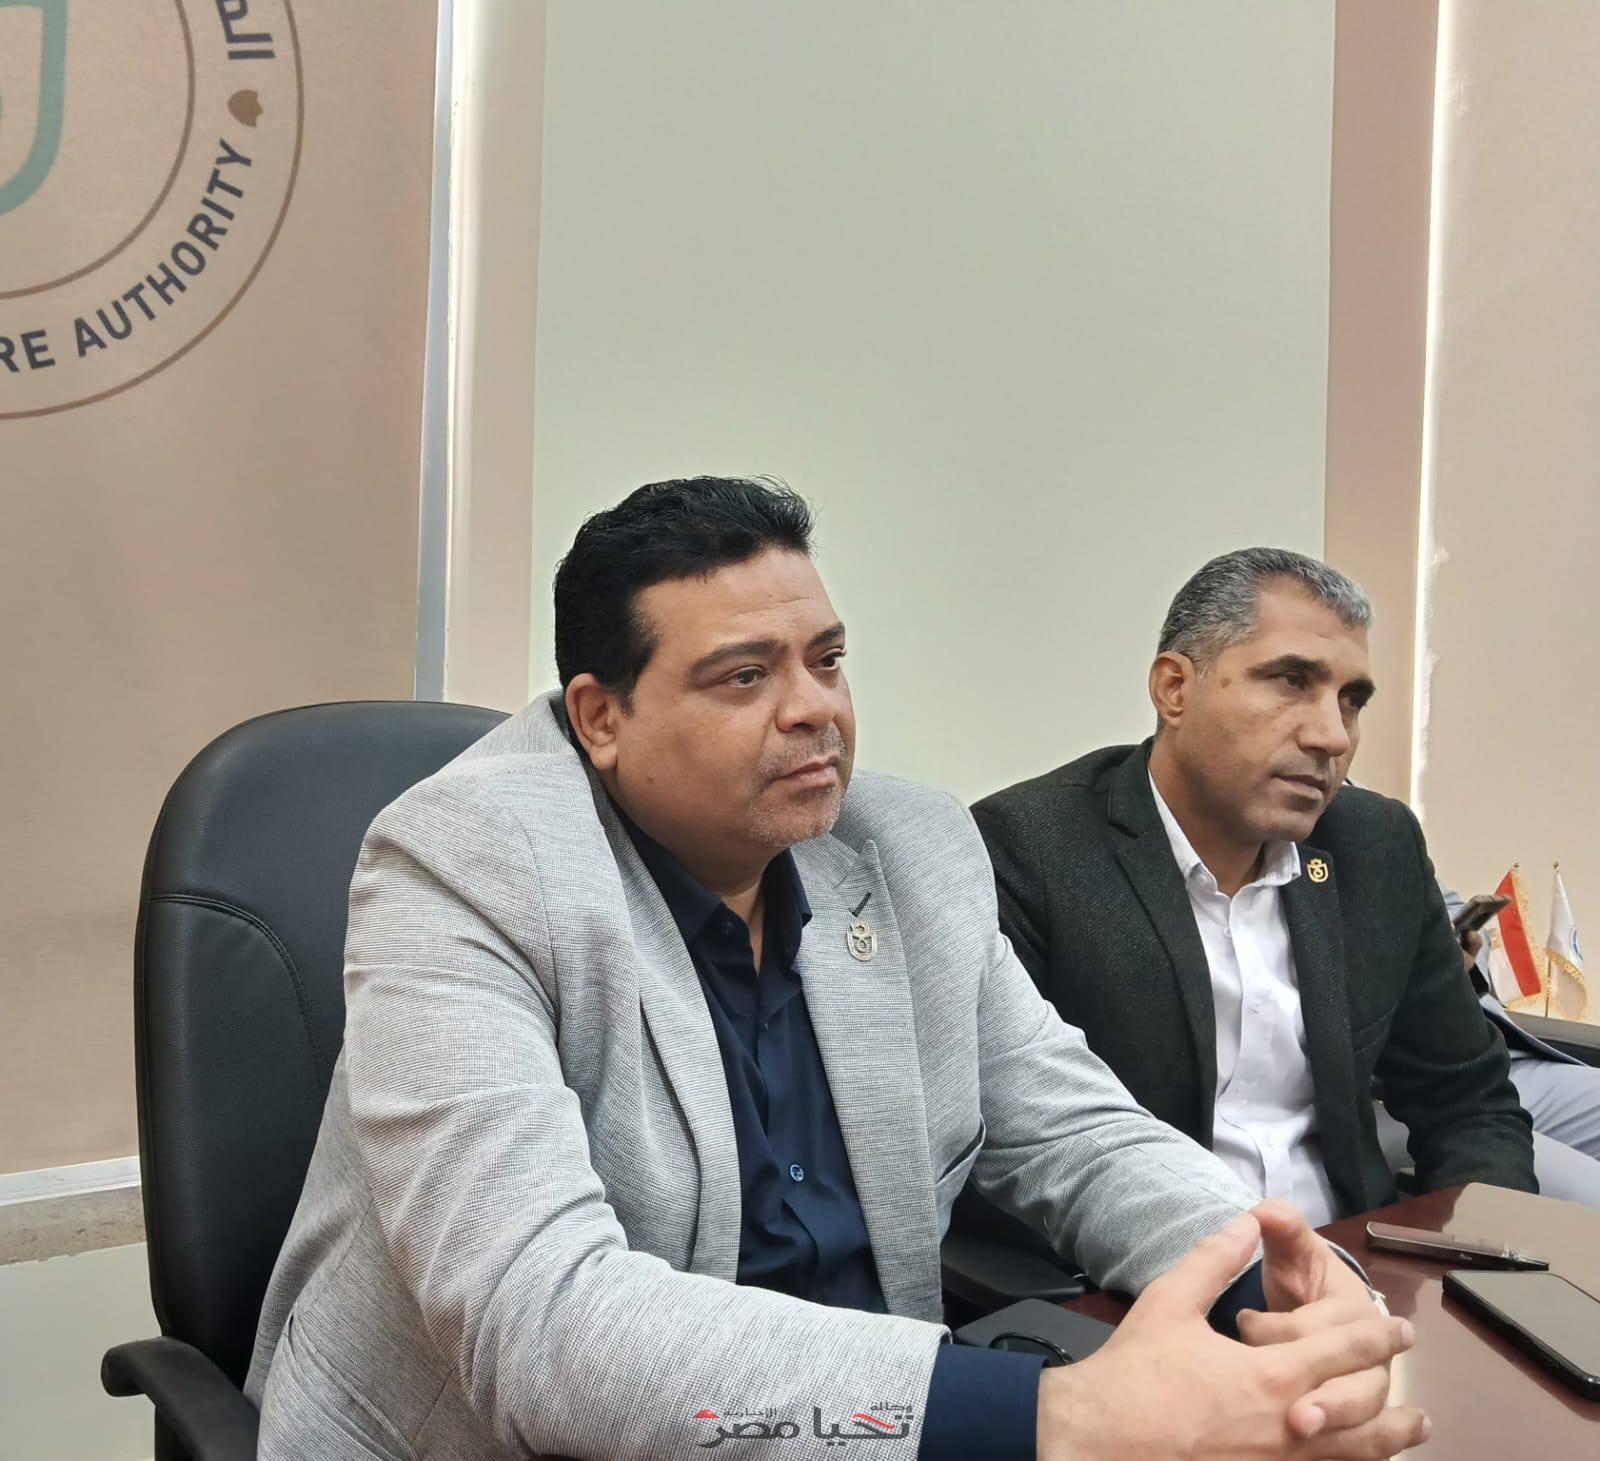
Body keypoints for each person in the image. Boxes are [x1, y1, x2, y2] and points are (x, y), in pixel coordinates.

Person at [247, 488, 1421, 1460]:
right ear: (601, 717)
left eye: (827, 660)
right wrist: (1056, 1416)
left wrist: (1281, 1281)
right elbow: (542, 1326)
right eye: (743, 677)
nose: (815, 711)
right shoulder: (470, 861)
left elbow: (1077, 1134)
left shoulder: (908, 850)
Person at [973, 547, 1536, 1231]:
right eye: (1291, 681)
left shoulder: (1376, 845)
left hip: (1358, 1260)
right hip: (1145, 1272)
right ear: (1174, 689)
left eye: (1351, 701)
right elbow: (1017, 1147)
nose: (1332, 736)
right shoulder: (1030, 849)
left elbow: (1466, 1099)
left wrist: (1477, 1263)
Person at [1371, 886, 1600, 1207]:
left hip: (1490, 1062)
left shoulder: (1376, 853)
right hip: (1397, 1099)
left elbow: (1449, 905)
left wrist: (1448, 948)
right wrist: (1418, 959)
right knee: (1591, 1193)